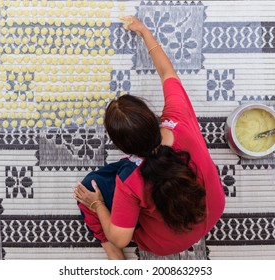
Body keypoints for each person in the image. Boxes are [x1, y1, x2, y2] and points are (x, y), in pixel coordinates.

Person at [74, 16, 225, 260]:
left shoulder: (129, 180)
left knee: (90, 186)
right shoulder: (179, 118)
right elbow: (168, 73)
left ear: (124, 147)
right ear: (152, 118)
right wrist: (145, 31)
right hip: (213, 208)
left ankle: (112, 254)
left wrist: (97, 205)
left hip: (165, 242)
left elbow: (121, 237)